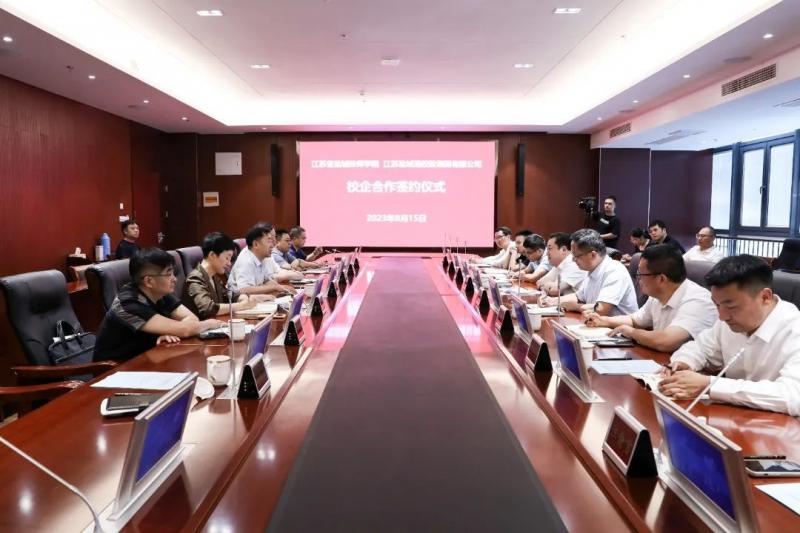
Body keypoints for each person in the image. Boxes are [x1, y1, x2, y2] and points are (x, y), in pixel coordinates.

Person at [660, 255, 800, 416]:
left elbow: (793, 395)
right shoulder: (729, 321)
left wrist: (711, 385)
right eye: (717, 305)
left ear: (765, 297)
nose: (722, 316)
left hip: (778, 426)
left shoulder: (794, 330)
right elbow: (700, 347)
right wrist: (685, 361)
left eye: (731, 306)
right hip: (733, 418)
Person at [93, 248, 224, 361]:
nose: (174, 279)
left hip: (148, 359)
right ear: (149, 281)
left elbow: (191, 319)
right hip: (116, 369)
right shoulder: (128, 303)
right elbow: (185, 330)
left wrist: (173, 330)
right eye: (168, 274)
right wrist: (209, 324)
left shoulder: (160, 292)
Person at [584, 244, 717, 352]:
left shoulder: (697, 301)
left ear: (661, 279)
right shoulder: (657, 295)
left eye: (641, 274)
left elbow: (666, 341)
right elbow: (635, 320)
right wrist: (603, 320)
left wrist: (631, 332)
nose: (638, 279)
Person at [542, 229, 638, 316]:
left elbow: (601, 309)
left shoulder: (614, 270)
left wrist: (574, 306)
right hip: (596, 324)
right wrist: (553, 301)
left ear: (592, 255)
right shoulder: (592, 270)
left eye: (576, 256)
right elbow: (578, 296)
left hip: (617, 328)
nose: (573, 260)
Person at [187, 232, 270, 319]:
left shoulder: (214, 277)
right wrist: (241, 305)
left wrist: (242, 297)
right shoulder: (195, 278)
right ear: (212, 255)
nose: (229, 263)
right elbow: (207, 308)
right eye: (227, 258)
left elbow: (229, 295)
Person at [228, 223, 296, 295]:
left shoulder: (262, 257)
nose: (272, 245)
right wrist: (275, 288)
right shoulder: (246, 260)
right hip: (239, 299)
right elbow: (244, 290)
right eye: (269, 241)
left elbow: (267, 280)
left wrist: (281, 288)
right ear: (256, 244)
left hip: (256, 296)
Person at [536, 232, 587, 296]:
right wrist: (550, 286)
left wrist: (547, 286)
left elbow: (554, 290)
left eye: (549, 249)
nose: (546, 253)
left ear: (563, 250)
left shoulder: (574, 264)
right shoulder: (559, 264)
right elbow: (540, 282)